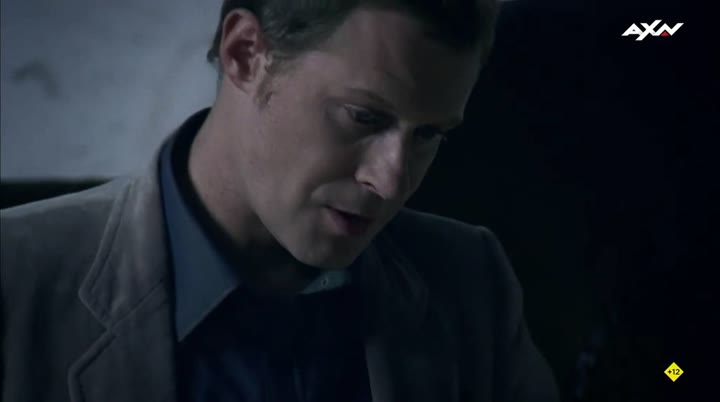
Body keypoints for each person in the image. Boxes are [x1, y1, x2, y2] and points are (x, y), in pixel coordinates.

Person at [1, 0, 559, 401]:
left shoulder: (470, 286)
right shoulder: (15, 281)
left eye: (429, 134)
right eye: (363, 116)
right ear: (245, 53)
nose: (389, 182)